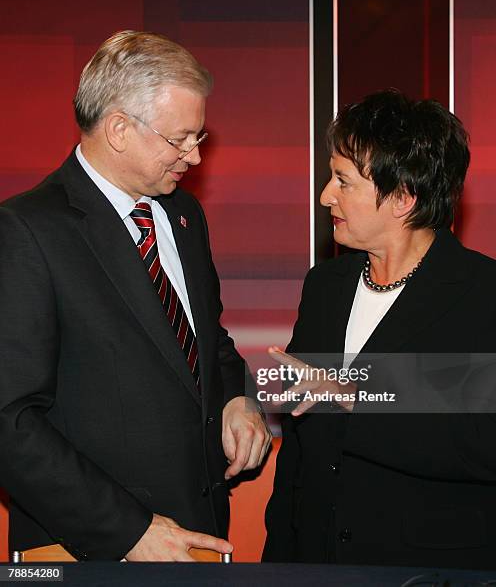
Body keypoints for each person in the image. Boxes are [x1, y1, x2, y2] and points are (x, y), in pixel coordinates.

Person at [0, 30, 271, 562]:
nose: (194, 156)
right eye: (180, 138)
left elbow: (206, 342)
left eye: (200, 136)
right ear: (119, 129)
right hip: (89, 548)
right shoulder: (26, 230)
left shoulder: (184, 216)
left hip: (202, 532)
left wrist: (236, 397)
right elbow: (9, 418)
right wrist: (128, 531)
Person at [263, 89, 496, 569]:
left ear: (403, 199)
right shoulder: (325, 285)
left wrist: (359, 395)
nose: (326, 195)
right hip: (317, 568)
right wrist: (279, 567)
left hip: (428, 571)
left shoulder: (481, 295)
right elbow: (299, 453)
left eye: (343, 181)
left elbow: (482, 443)